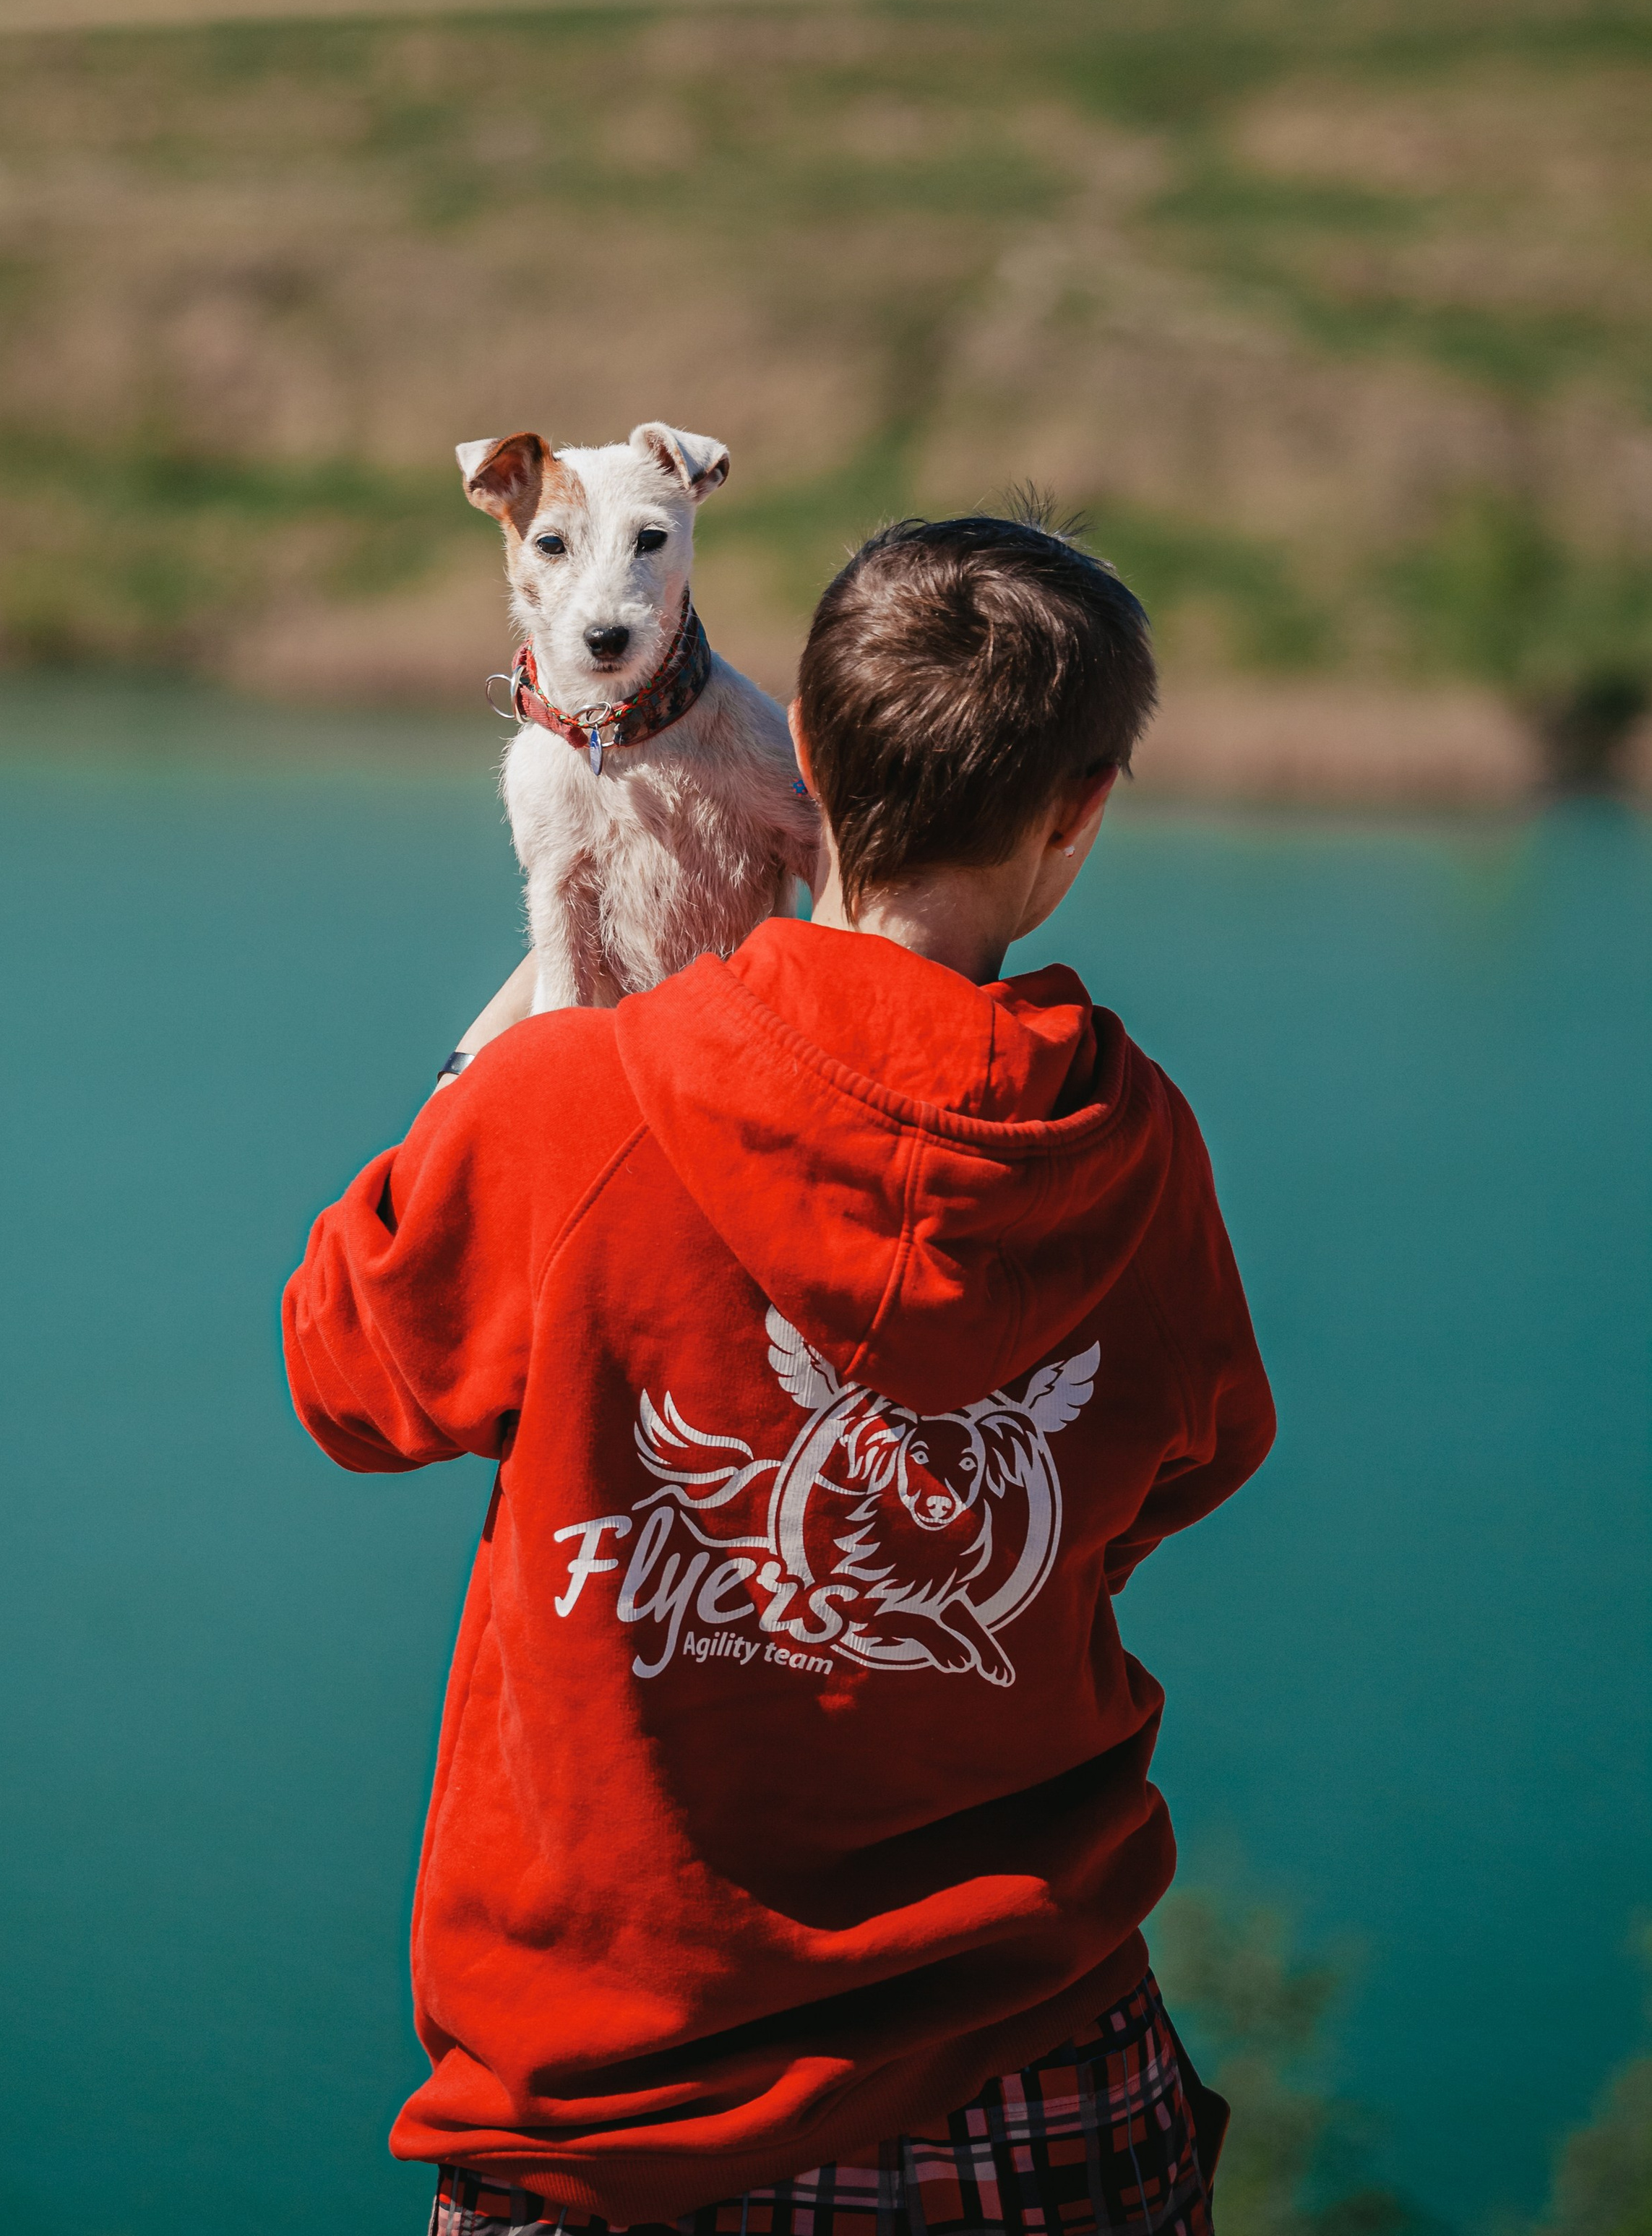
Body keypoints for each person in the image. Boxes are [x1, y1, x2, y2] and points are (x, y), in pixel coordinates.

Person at [283, 510, 1276, 2236]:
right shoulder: (1132, 1149)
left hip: (614, 2117)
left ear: (804, 746)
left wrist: (512, 1020)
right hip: (1037, 2074)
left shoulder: (567, 1110)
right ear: (1078, 811)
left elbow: (346, 1375)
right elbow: (1175, 1468)